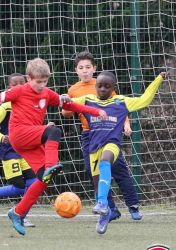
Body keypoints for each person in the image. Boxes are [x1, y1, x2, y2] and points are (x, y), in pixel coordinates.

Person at [0, 58, 106, 235]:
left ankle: (17, 213)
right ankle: (51, 166)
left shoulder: (47, 93)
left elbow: (70, 105)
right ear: (28, 78)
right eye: (38, 82)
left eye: (45, 81)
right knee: (53, 131)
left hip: (31, 141)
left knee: (43, 180)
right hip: (19, 134)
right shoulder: (18, 91)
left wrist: (96, 111)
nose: (42, 85)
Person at [71, 71, 167, 234]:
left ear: (113, 88)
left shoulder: (121, 102)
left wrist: (158, 80)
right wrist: (63, 100)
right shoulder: (87, 100)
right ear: (96, 86)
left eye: (106, 86)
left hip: (112, 144)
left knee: (106, 161)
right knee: (97, 184)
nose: (102, 89)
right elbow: (67, 104)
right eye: (99, 86)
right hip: (93, 146)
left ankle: (105, 204)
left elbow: (144, 99)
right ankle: (105, 212)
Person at [62, 51, 142, 221]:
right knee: (95, 173)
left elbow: (119, 106)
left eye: (88, 67)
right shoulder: (73, 90)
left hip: (109, 133)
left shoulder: (102, 83)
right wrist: (67, 106)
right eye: (81, 68)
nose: (85, 71)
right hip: (89, 135)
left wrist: (126, 123)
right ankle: (110, 208)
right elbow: (67, 112)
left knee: (119, 170)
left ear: (94, 69)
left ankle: (133, 205)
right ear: (76, 70)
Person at [0, 73, 37, 227]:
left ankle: (21, 215)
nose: (19, 87)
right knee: (20, 187)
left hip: (25, 150)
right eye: (15, 85)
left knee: (35, 184)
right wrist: (1, 137)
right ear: (9, 89)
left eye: (22, 83)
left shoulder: (30, 105)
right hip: (9, 152)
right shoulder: (5, 107)